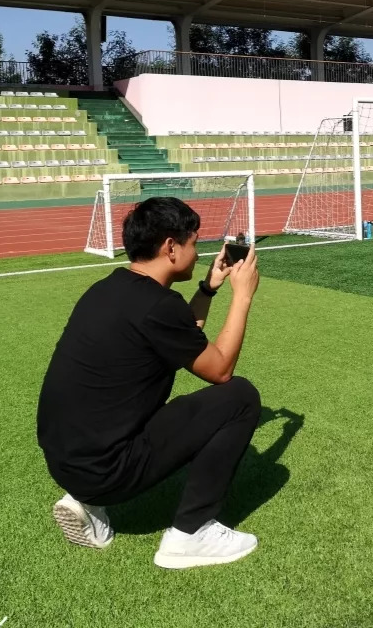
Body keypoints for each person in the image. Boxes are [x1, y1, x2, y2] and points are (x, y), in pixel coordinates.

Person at [37, 197, 262, 569]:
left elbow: (179, 336)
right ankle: (192, 533)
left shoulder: (109, 288)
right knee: (240, 397)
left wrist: (208, 289)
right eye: (193, 242)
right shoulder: (158, 306)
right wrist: (243, 295)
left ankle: (87, 504)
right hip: (108, 470)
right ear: (171, 247)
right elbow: (220, 369)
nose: (197, 250)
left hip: (66, 462)